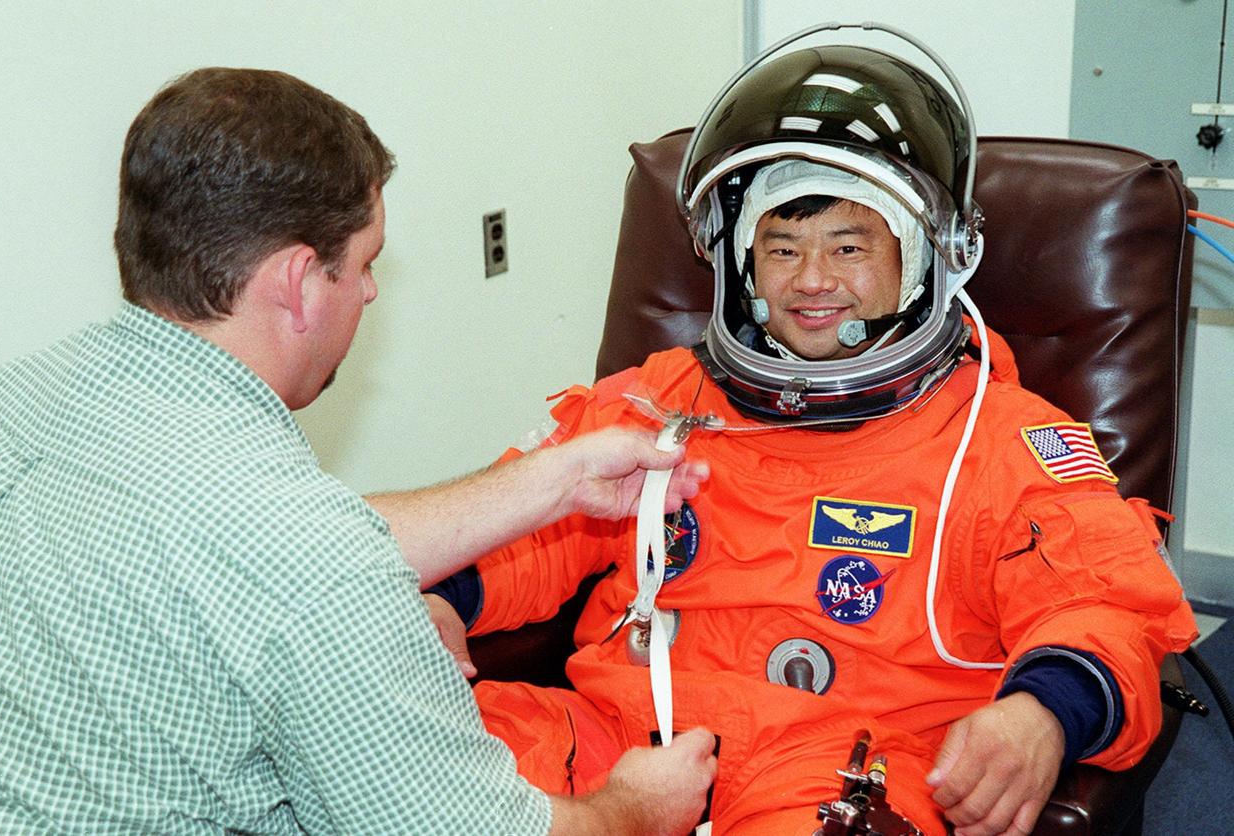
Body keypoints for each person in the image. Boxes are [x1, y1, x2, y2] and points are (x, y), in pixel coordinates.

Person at [425, 28, 1198, 836]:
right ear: (739, 265)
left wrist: (1042, 716)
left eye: (849, 245)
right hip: (618, 740)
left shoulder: (997, 438)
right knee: (389, 765)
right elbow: (531, 528)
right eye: (782, 247)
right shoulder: (658, 403)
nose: (812, 280)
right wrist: (443, 600)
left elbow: (1105, 607)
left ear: (924, 258)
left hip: (848, 764)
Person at [0, 67, 718, 834]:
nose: (371, 291)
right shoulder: (313, 565)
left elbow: (244, 551)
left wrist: (553, 484)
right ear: (297, 282)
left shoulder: (5, 404)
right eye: (364, 262)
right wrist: (635, 809)